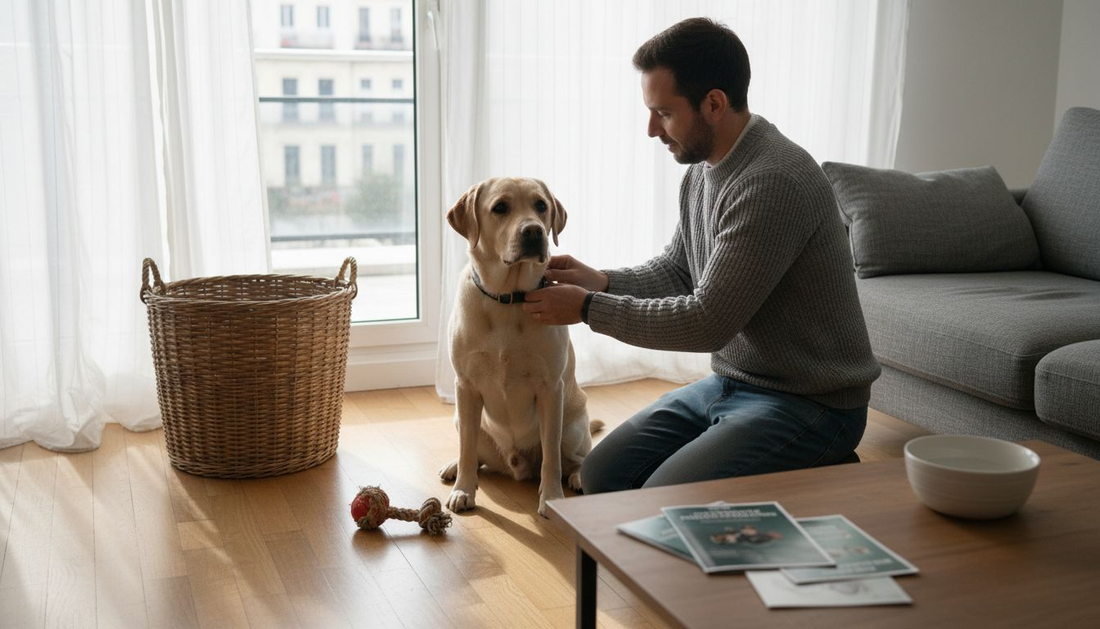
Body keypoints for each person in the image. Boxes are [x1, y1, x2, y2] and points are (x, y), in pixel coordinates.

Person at [521, 17, 880, 494]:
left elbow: (707, 320)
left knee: (662, 499)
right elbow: (679, 269)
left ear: (713, 103)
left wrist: (587, 309)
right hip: (732, 384)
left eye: (663, 113)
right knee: (601, 475)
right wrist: (600, 281)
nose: (652, 129)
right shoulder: (702, 171)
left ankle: (821, 462)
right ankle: (784, 468)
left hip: (812, 403)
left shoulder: (773, 181)